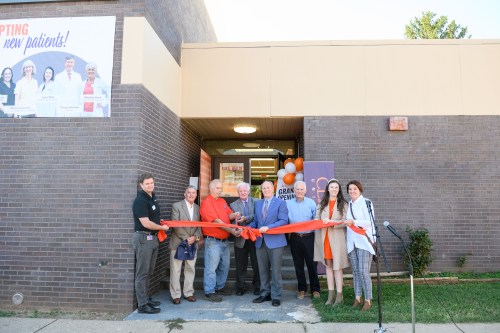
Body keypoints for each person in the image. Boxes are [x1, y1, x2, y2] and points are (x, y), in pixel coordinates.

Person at [132, 173, 170, 314]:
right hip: (143, 239)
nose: (150, 185)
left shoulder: (152, 198)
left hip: (153, 239)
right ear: (141, 185)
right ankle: (142, 305)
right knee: (142, 273)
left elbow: (152, 218)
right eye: (147, 183)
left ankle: (146, 299)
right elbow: (146, 223)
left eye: (152, 183)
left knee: (149, 271)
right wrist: (162, 228)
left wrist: (159, 224)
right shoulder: (140, 200)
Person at [200, 179, 241, 302]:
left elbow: (228, 215)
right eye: (218, 188)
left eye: (221, 188)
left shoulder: (222, 201)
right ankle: (209, 291)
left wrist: (236, 214)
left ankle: (219, 287)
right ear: (211, 189)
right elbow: (217, 222)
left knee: (224, 265)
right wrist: (232, 231)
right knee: (211, 268)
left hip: (224, 241)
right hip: (213, 241)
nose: (220, 190)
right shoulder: (207, 202)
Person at [249, 181, 289, 307]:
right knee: (262, 270)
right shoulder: (258, 203)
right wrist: (247, 228)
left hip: (276, 241)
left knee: (276, 271)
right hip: (261, 242)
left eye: (268, 188)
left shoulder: (281, 203)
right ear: (261, 190)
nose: (266, 190)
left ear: (273, 189)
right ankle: (265, 293)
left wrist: (269, 227)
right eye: (264, 188)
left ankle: (276, 296)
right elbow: (256, 221)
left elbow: (284, 220)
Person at [314, 178, 349, 306]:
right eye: (332, 187)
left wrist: (332, 223)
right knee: (328, 267)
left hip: (337, 239)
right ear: (328, 189)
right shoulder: (321, 204)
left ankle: (340, 296)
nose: (334, 189)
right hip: (325, 239)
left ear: (338, 190)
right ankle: (331, 294)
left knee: (337, 267)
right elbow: (316, 220)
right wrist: (321, 222)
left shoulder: (343, 204)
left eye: (336, 187)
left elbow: (346, 221)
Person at [345, 180, 376, 311]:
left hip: (364, 242)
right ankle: (358, 297)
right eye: (350, 189)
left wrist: (354, 221)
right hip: (352, 243)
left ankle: (368, 299)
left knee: (364, 271)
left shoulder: (366, 202)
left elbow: (369, 222)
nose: (352, 191)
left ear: (360, 190)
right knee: (356, 271)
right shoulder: (348, 204)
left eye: (355, 189)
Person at [286, 181, 320, 300]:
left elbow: (316, 219)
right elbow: (284, 219)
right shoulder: (288, 203)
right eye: (297, 189)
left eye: (301, 189)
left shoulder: (311, 203)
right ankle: (302, 289)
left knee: (312, 265)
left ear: (305, 191)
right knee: (298, 265)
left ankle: (315, 289)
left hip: (309, 238)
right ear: (294, 191)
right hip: (295, 238)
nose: (299, 191)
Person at [169, 185, 202, 305]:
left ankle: (188, 292)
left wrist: (195, 238)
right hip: (178, 243)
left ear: (196, 195)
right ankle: (175, 294)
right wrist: (186, 238)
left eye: (193, 193)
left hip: (193, 243)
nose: (191, 194)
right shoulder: (177, 206)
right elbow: (175, 224)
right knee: (175, 270)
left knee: (190, 269)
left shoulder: (198, 208)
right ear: (185, 194)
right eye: (189, 192)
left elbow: (199, 225)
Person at [230, 182, 260, 296]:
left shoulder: (257, 202)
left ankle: (257, 286)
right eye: (240, 191)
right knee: (240, 264)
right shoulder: (233, 205)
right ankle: (241, 287)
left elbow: (257, 216)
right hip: (240, 238)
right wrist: (237, 225)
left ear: (248, 191)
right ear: (238, 193)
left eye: (245, 191)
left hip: (254, 238)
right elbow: (232, 221)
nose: (243, 193)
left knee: (256, 263)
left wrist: (246, 218)